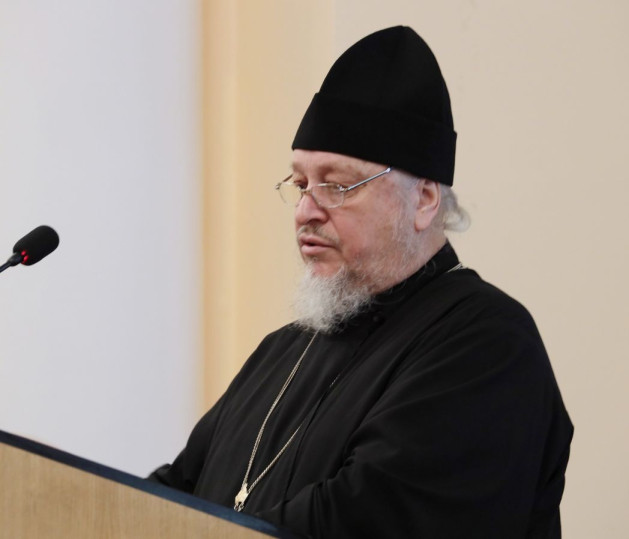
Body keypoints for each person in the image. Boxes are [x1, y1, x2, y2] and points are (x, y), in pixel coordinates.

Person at [149, 26, 573, 538]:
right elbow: (168, 495)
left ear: (423, 200)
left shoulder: (488, 344)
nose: (305, 210)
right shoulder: (283, 350)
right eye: (301, 183)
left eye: (337, 185)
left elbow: (366, 519)